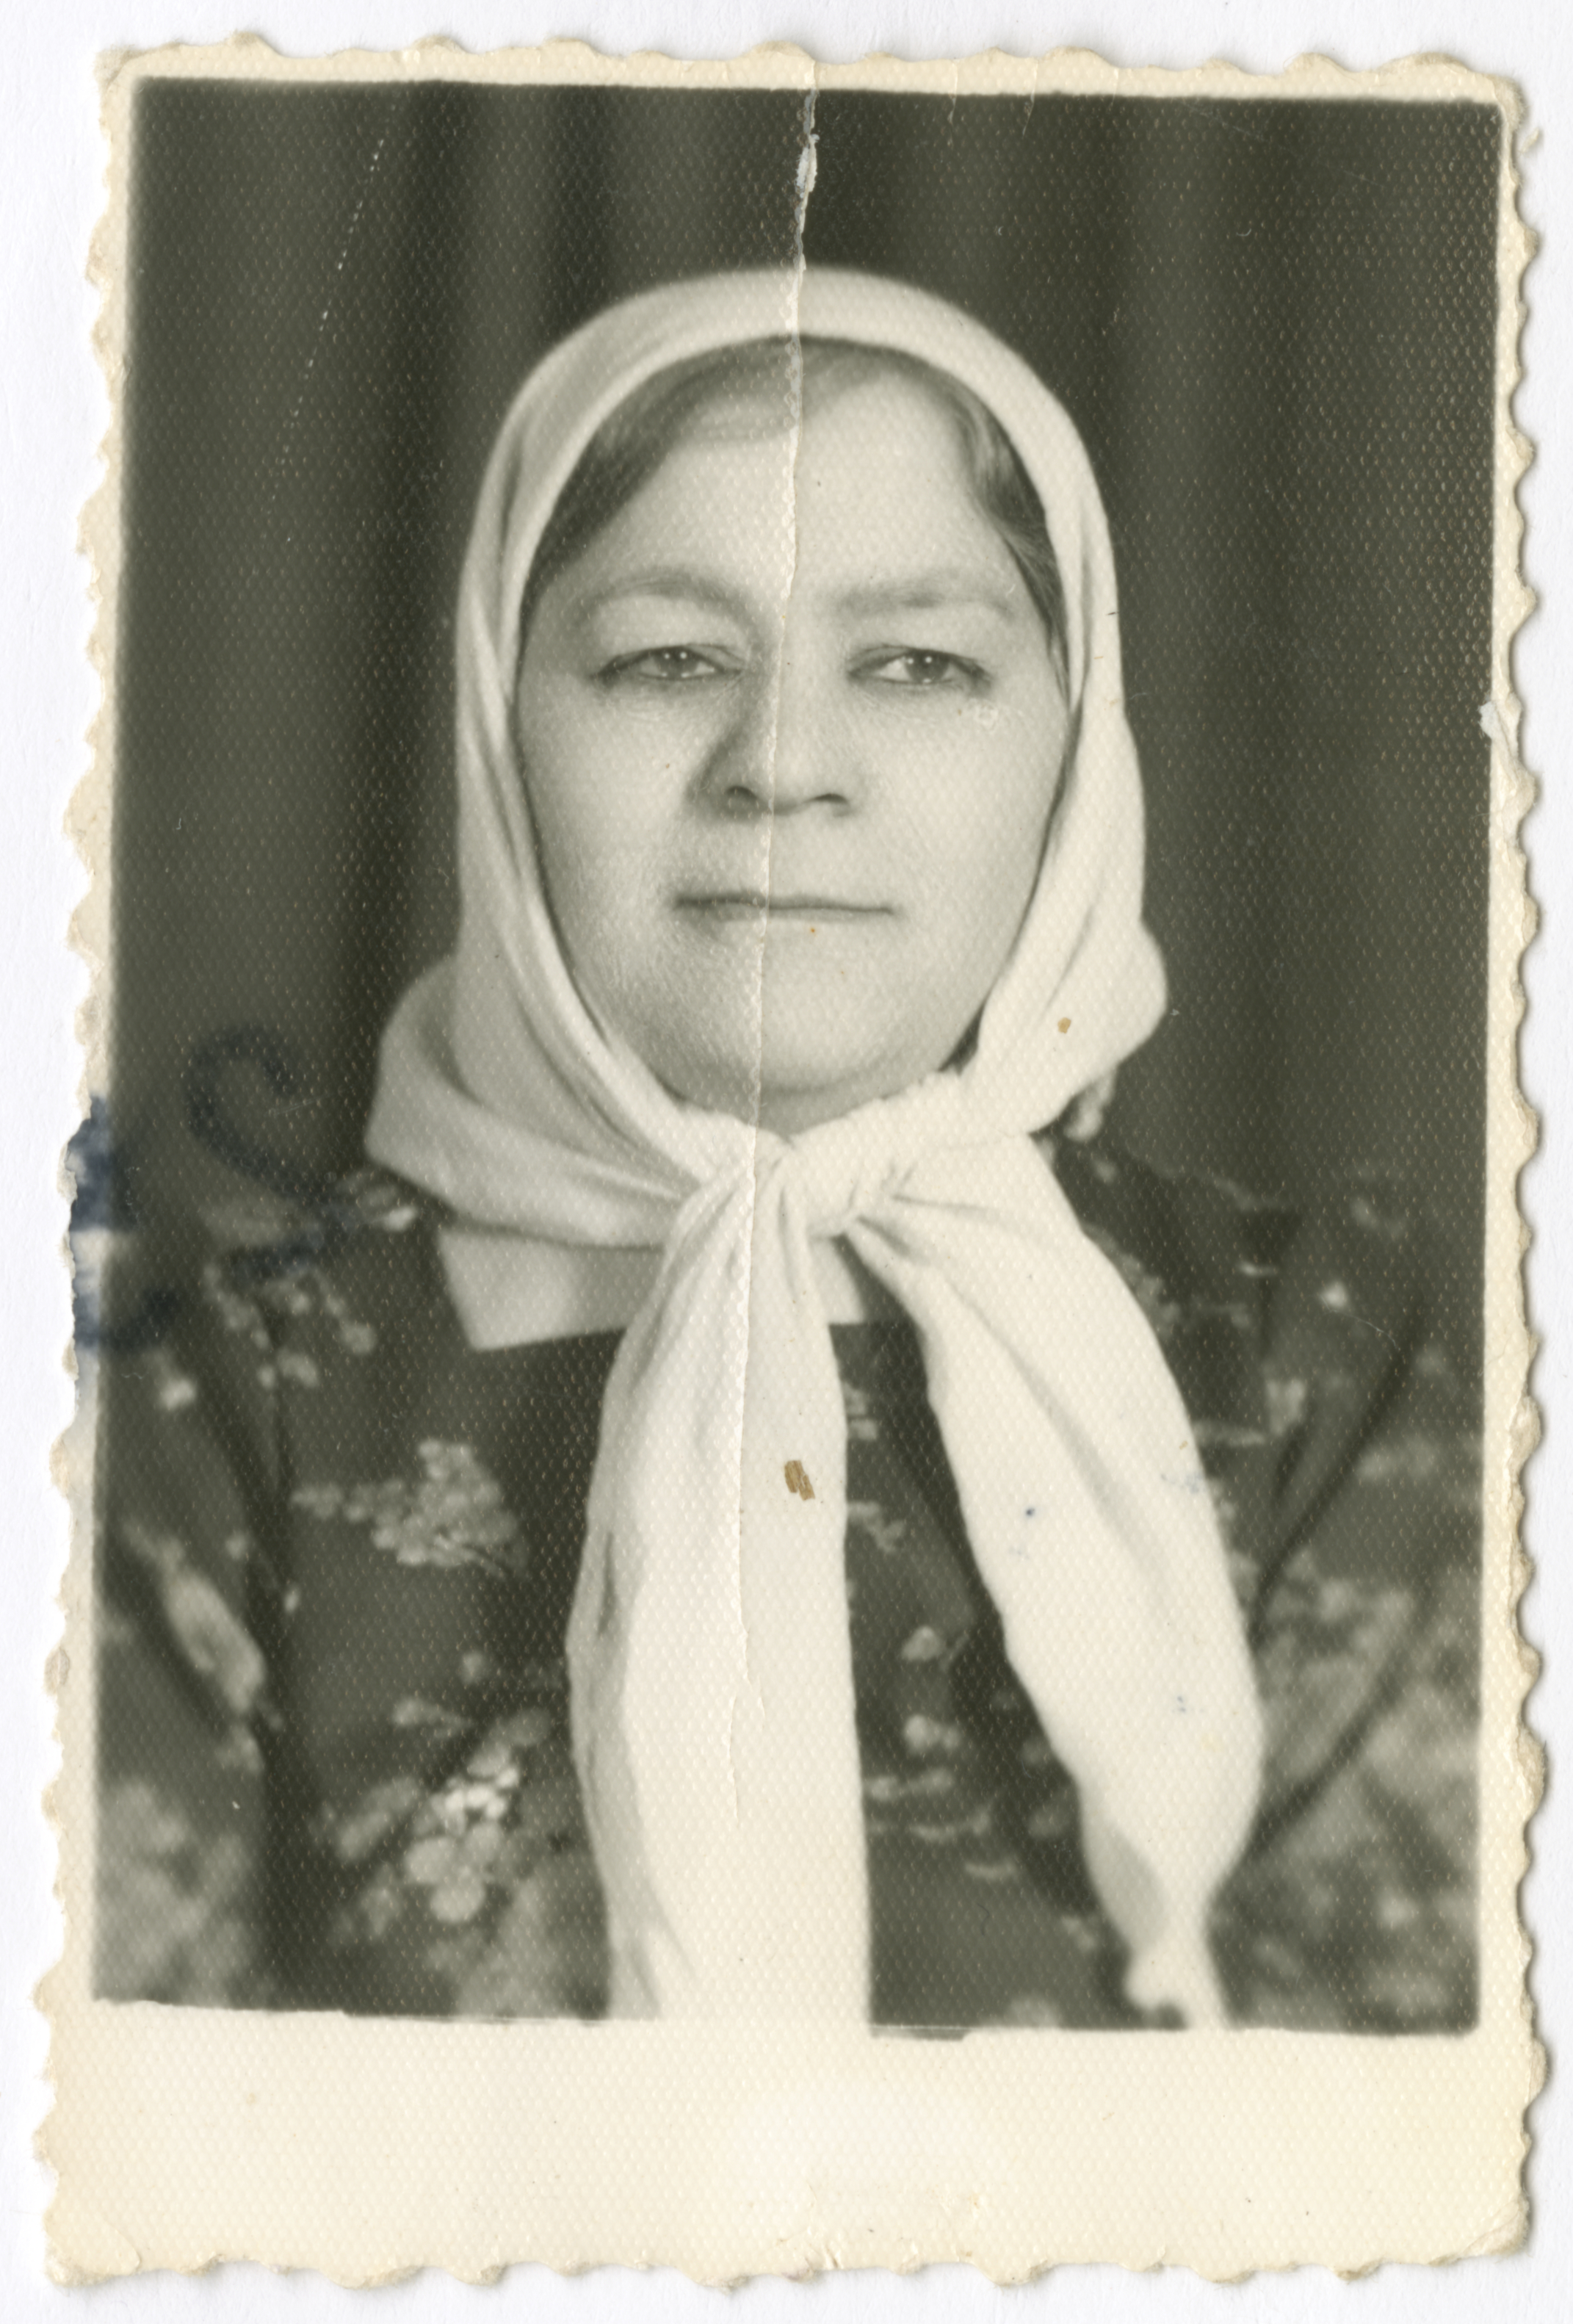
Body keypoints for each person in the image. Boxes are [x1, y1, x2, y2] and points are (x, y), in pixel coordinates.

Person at [94, 270, 1478, 2031]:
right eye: (667, 658)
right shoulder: (202, 1384)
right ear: (501, 729)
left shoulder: (1320, 1350)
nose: (784, 764)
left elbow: (1397, 2140)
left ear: (1075, 751)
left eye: (919, 664)